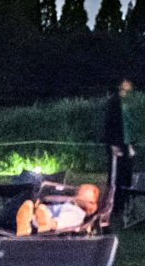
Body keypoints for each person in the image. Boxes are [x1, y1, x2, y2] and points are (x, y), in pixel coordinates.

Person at [102, 78, 135, 212]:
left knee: (128, 174)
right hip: (116, 144)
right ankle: (114, 205)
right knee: (115, 176)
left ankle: (126, 203)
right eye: (123, 88)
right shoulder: (114, 103)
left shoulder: (131, 104)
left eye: (128, 89)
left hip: (128, 145)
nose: (125, 92)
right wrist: (112, 144)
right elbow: (109, 125)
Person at [15, 184, 102, 234]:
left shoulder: (78, 214)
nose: (84, 187)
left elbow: (61, 222)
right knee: (32, 206)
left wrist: (49, 220)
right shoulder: (70, 203)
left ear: (91, 201)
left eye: (89, 189)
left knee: (48, 215)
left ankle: (43, 224)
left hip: (49, 226)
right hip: (43, 215)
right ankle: (29, 222)